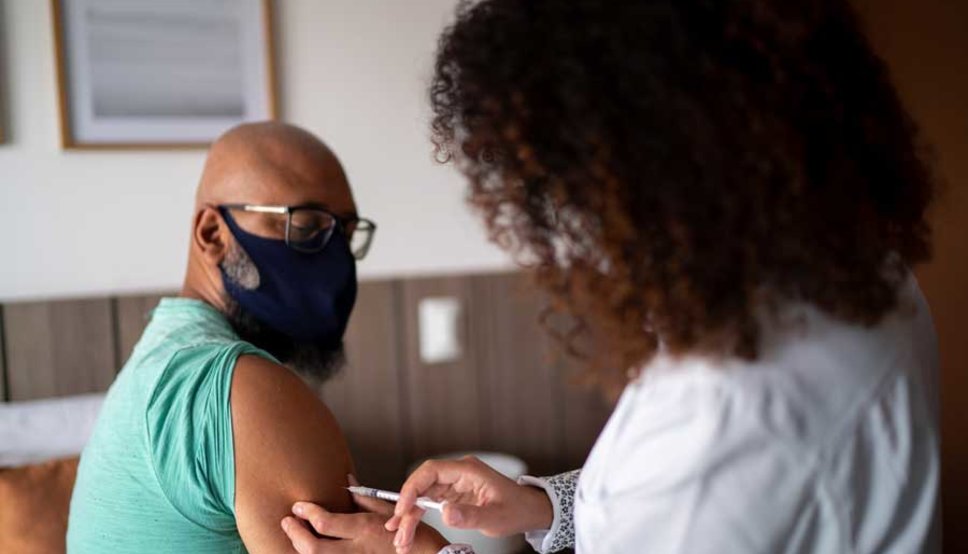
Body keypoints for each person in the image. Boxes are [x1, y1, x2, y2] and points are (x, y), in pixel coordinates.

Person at [281, 0, 940, 552]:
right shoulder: (853, 274)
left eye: (564, 185)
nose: (572, 223)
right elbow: (658, 500)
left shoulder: (735, 399)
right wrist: (543, 505)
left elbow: (688, 487)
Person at [68, 122, 450, 553]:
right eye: (305, 227)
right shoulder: (244, 390)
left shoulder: (161, 359)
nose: (334, 257)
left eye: (344, 233)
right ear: (212, 234)